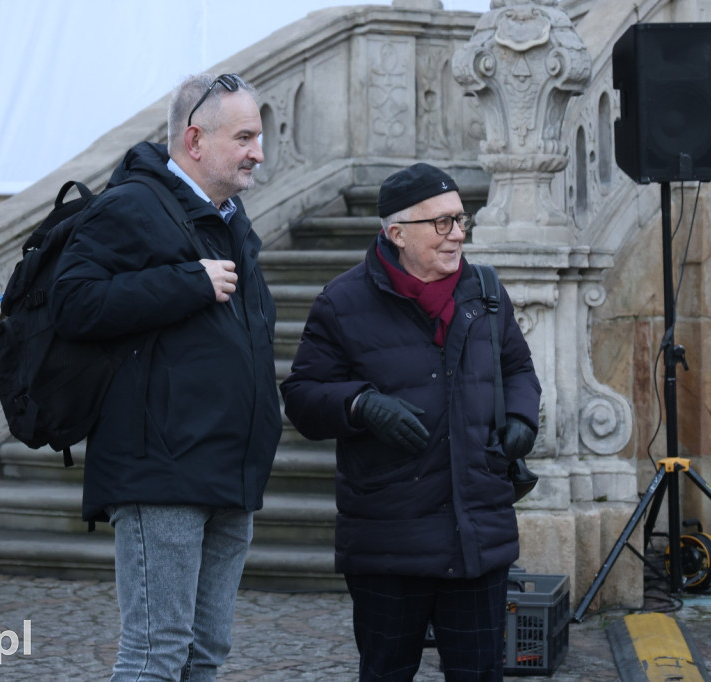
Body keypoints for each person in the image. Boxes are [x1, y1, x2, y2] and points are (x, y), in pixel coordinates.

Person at [50, 73, 282, 681]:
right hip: (163, 470)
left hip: (229, 471)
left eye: (259, 136)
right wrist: (187, 283)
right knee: (156, 655)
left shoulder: (229, 215)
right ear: (195, 139)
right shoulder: (132, 205)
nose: (259, 151)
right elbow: (71, 302)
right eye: (246, 137)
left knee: (204, 655)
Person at [280, 163, 542, 681]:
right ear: (396, 233)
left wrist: (520, 418)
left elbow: (518, 368)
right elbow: (302, 398)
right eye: (441, 223)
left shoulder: (486, 290)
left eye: (460, 220)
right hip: (387, 539)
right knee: (385, 673)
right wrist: (360, 405)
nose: (458, 234)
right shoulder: (342, 301)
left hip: (476, 532)